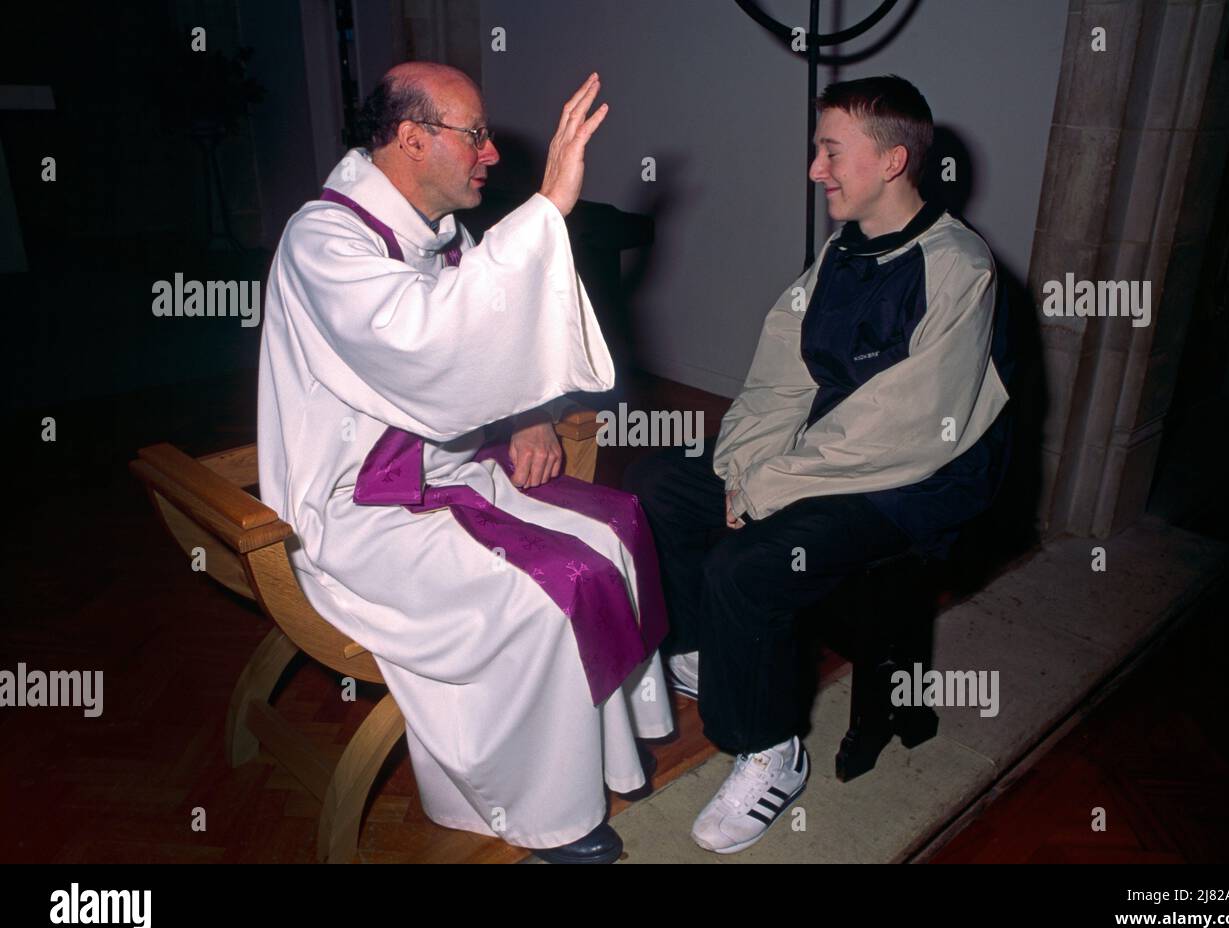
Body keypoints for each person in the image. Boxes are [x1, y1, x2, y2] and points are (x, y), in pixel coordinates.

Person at [257, 63, 672, 864]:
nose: (489, 152)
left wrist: (529, 413)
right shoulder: (326, 239)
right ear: (412, 139)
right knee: (544, 590)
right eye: (473, 134)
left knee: (618, 523)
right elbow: (424, 339)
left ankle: (615, 745)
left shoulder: (439, 230)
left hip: (448, 466)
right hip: (359, 509)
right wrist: (546, 207)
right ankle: (541, 805)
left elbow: (486, 346)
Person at [624, 75, 1013, 855]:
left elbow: (901, 428)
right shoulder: (845, 250)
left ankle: (769, 746)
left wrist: (770, 485)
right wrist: (740, 462)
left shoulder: (959, 266)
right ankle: (706, 653)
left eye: (830, 150)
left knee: (747, 564)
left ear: (894, 159)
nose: (814, 168)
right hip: (836, 450)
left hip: (918, 479)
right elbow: (784, 370)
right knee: (669, 489)